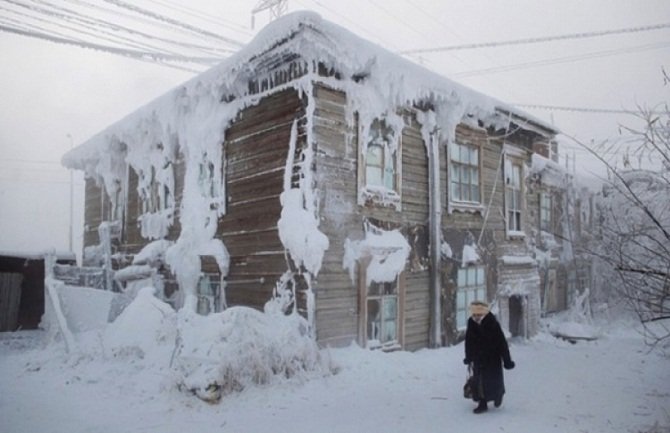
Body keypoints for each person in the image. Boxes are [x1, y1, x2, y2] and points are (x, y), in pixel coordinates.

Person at [463, 300, 515, 414]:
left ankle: (498, 395)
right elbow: (469, 342)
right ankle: (482, 403)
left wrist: (507, 360)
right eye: (474, 315)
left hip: (492, 358)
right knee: (479, 381)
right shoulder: (471, 323)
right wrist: (468, 357)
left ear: (484, 314)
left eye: (479, 315)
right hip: (478, 358)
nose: (476, 317)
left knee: (494, 381)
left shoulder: (492, 323)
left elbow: (502, 343)